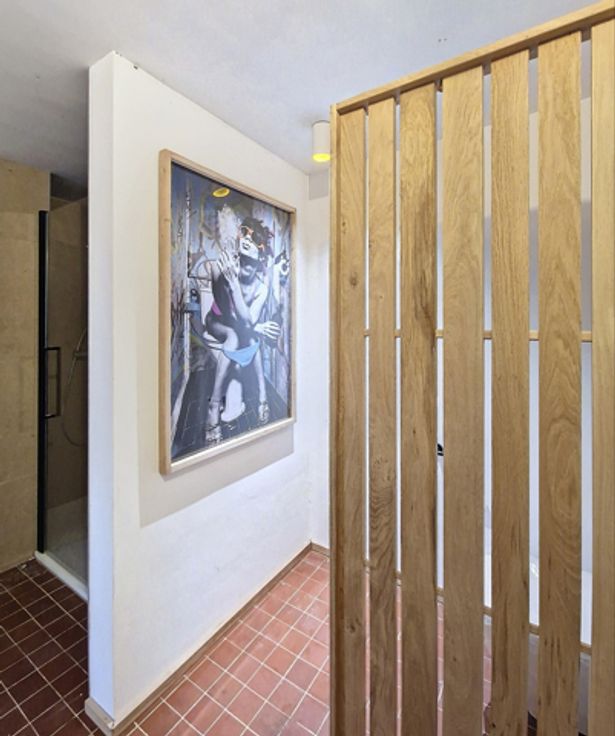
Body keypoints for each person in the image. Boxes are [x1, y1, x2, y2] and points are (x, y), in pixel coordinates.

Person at [204, 217, 281, 444]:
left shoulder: (261, 288)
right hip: (217, 321)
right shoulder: (222, 269)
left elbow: (247, 321)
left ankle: (263, 397)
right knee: (235, 335)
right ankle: (213, 405)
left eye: (254, 238)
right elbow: (226, 313)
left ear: (261, 259)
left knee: (251, 338)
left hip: (241, 326)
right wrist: (227, 279)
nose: (247, 239)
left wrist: (235, 285)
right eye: (244, 232)